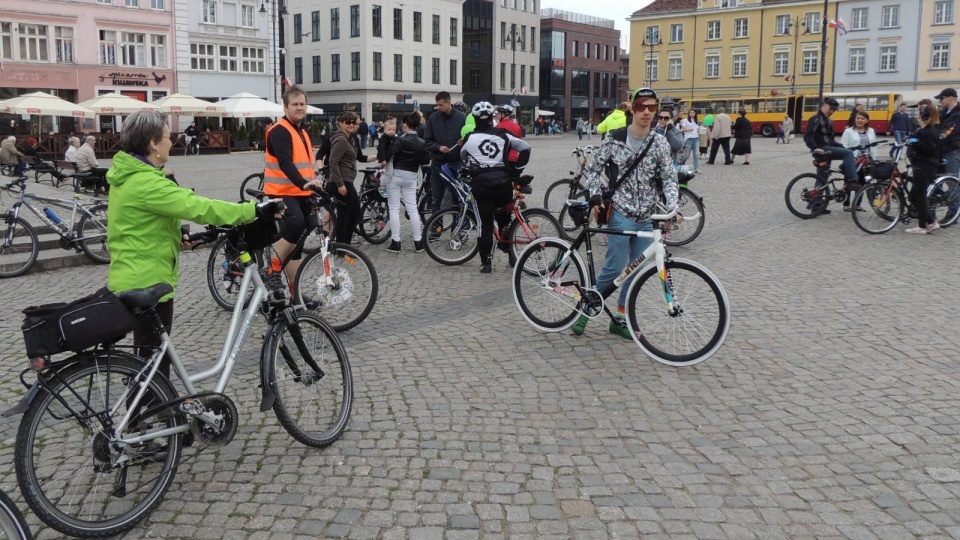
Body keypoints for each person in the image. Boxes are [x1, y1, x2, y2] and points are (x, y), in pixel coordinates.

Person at [106, 109, 277, 377]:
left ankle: (157, 411)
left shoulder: (129, 177)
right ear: (153, 143)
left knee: (151, 359)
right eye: (167, 136)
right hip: (148, 279)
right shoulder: (146, 183)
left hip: (134, 272)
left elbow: (140, 224)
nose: (170, 141)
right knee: (153, 365)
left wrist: (178, 235)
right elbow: (198, 207)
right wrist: (253, 211)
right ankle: (144, 417)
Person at [571, 87, 678, 338]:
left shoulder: (659, 142)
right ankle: (587, 309)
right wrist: (595, 193)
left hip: (646, 218)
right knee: (614, 267)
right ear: (632, 108)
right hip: (620, 212)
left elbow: (669, 178)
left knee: (635, 270)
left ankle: (620, 317)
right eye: (642, 107)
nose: (647, 113)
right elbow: (595, 169)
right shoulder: (615, 138)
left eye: (652, 108)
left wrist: (672, 207)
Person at [263, 85, 326, 285]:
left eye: (302, 104)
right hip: (281, 191)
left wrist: (314, 182)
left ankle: (295, 295)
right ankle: (272, 270)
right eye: (295, 104)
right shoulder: (280, 131)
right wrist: (303, 183)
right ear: (285, 107)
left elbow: (305, 164)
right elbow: (285, 162)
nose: (299, 108)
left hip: (300, 192)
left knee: (301, 237)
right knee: (296, 223)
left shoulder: (302, 132)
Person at [459, 101, 531, 274]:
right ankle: (512, 255)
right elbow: (525, 148)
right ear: (492, 118)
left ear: (475, 119)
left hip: (482, 186)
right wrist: (515, 170)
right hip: (502, 183)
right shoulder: (503, 135)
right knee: (505, 220)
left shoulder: (470, 138)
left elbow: (463, 156)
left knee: (485, 225)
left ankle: (486, 264)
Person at [327, 111, 377, 245]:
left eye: (353, 122)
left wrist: (378, 157)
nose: (351, 125)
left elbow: (359, 157)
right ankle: (341, 247)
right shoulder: (342, 139)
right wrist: (340, 184)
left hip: (347, 181)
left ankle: (344, 245)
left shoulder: (349, 138)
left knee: (353, 215)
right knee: (345, 216)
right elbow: (333, 161)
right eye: (348, 122)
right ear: (341, 123)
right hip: (342, 182)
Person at [804, 97, 860, 214]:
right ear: (824, 105)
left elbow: (830, 140)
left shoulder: (828, 121)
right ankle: (852, 180)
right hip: (822, 150)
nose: (832, 111)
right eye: (831, 108)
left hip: (826, 149)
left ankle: (816, 206)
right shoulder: (816, 119)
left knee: (822, 178)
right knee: (848, 154)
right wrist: (815, 148)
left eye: (834, 110)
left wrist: (840, 146)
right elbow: (808, 136)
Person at [384, 113, 431, 253]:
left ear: (405, 125)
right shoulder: (421, 142)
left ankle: (396, 242)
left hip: (396, 174)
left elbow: (389, 154)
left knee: (393, 208)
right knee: (412, 209)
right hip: (411, 176)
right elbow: (425, 160)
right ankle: (418, 242)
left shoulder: (400, 140)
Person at [424, 91, 466, 214]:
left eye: (441, 105)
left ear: (449, 102)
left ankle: (458, 229)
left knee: (457, 198)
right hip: (438, 163)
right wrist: (438, 147)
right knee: (436, 198)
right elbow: (427, 141)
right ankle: (435, 229)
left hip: (456, 163)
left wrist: (463, 142)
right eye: (437, 105)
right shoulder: (433, 118)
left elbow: (468, 139)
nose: (439, 107)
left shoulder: (461, 118)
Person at [904, 101, 941, 234]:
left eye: (919, 115)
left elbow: (930, 149)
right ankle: (931, 222)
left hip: (924, 166)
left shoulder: (928, 131)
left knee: (920, 196)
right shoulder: (925, 130)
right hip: (922, 165)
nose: (917, 117)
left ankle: (922, 226)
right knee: (914, 196)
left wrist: (915, 143)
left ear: (925, 117)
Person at [841, 110, 877, 211]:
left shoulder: (871, 131)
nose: (859, 120)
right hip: (853, 160)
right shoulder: (849, 131)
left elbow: (874, 145)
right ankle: (846, 204)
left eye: (862, 118)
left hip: (866, 161)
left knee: (862, 182)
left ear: (866, 121)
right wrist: (849, 156)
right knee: (849, 181)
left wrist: (874, 158)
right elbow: (844, 145)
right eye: (858, 118)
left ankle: (857, 204)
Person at [936, 88, 960, 176]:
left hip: (952, 149)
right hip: (941, 149)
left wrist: (938, 137)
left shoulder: (958, 113)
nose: (940, 101)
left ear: (950, 98)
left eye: (941, 98)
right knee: (938, 179)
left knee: (951, 181)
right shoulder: (944, 112)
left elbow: (951, 130)